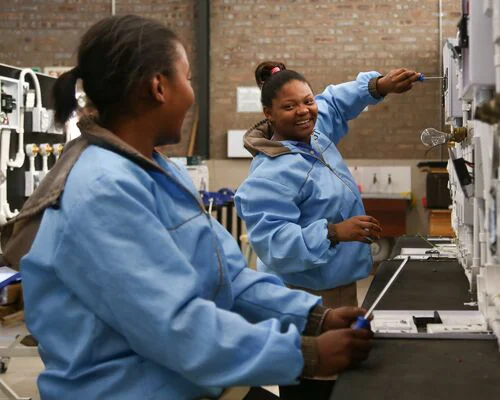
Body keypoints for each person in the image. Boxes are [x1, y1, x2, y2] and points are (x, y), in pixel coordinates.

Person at [1, 16, 375, 400]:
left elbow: (230, 277)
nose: (192, 93)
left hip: (180, 378)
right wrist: (304, 354)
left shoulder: (157, 170)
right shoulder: (102, 191)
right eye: (188, 78)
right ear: (159, 87)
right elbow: (175, 328)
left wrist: (314, 317)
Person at [235, 62, 419, 307]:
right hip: (302, 296)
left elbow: (333, 104)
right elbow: (274, 243)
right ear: (269, 113)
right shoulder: (271, 172)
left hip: (339, 283)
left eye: (308, 101)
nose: (304, 111)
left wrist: (378, 86)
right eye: (289, 106)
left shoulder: (313, 137)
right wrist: (333, 232)